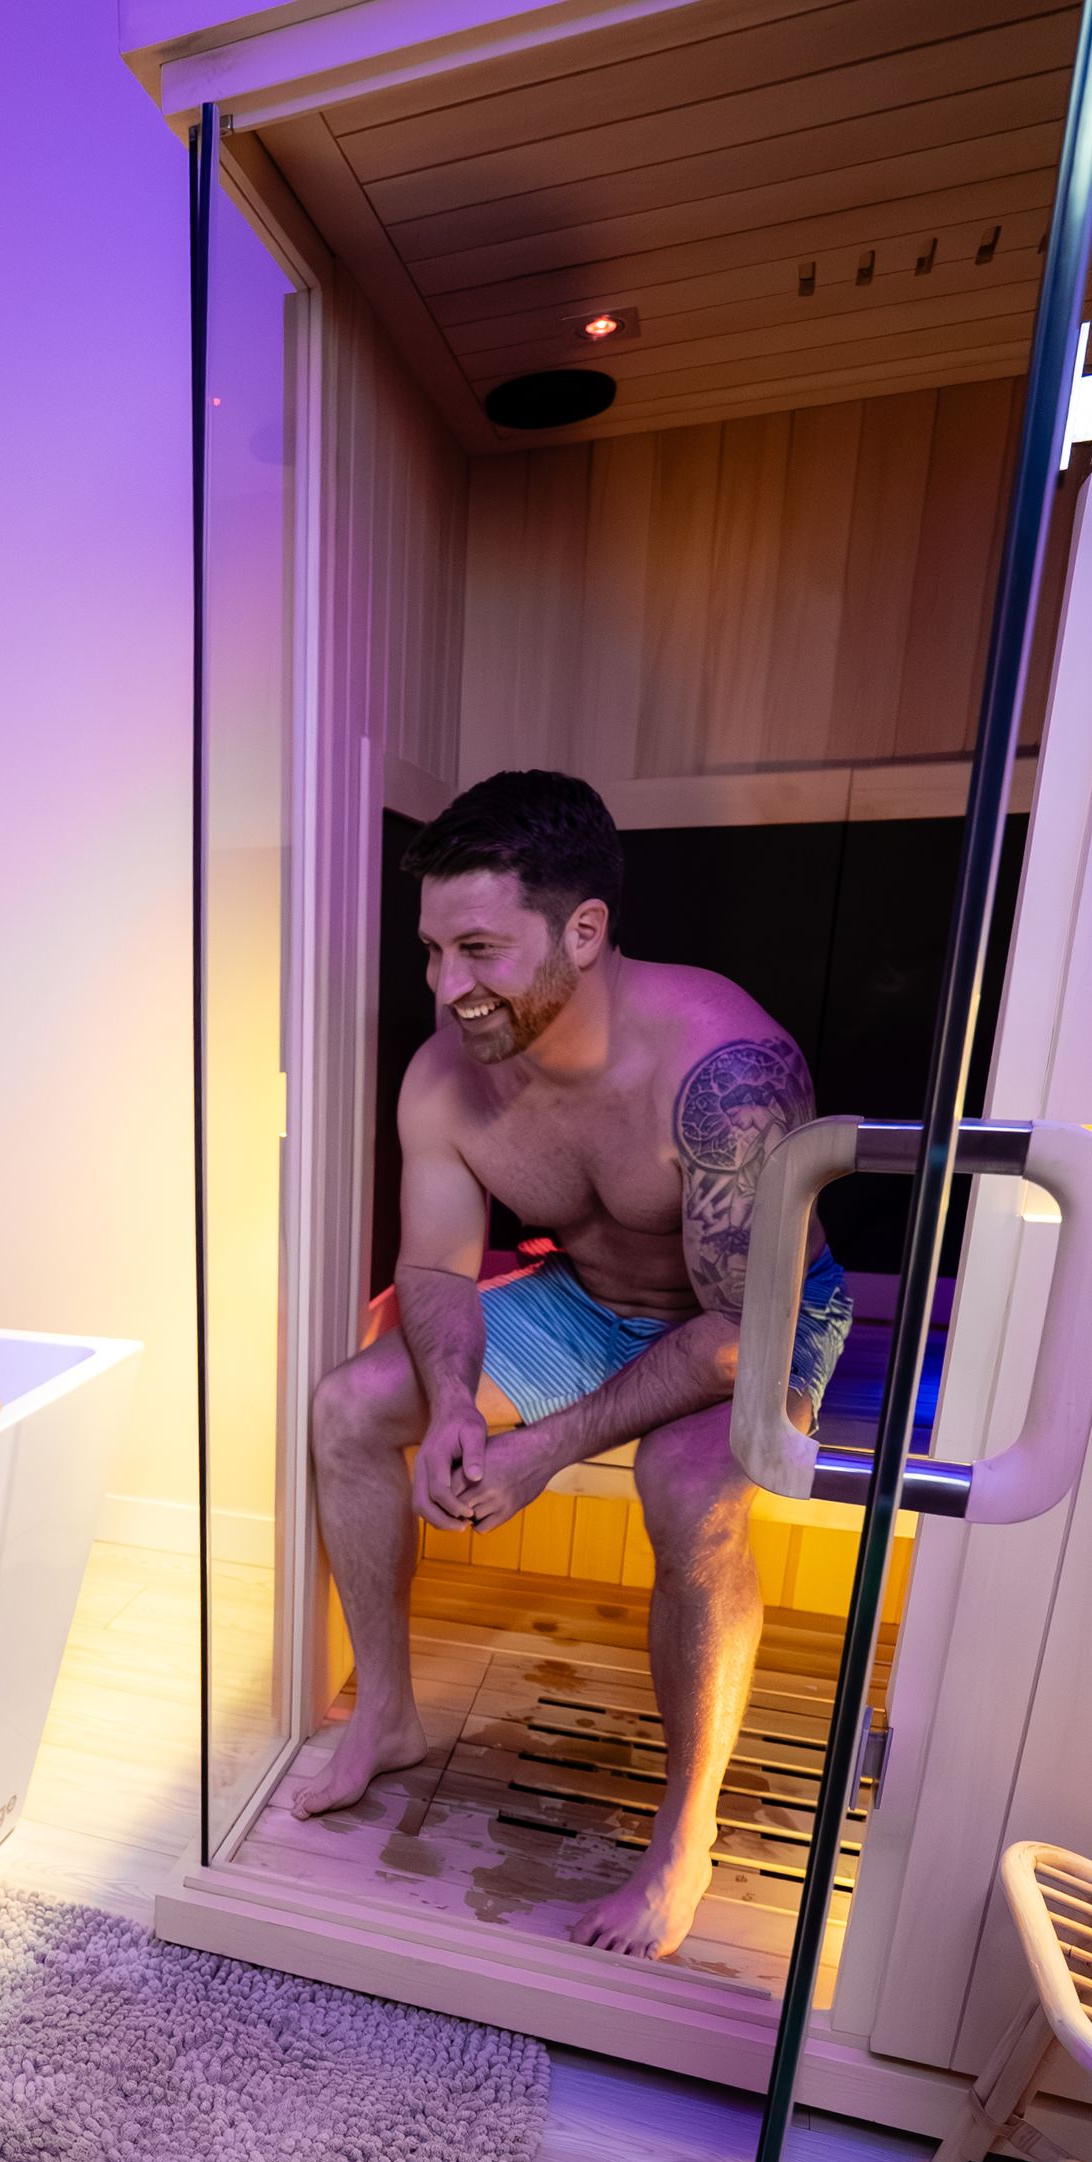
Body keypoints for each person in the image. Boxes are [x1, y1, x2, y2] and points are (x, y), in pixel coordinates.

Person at [300, 771, 852, 1963]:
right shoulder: (446, 1075)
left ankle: (683, 1837)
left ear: (584, 931)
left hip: (756, 1320)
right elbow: (440, 1269)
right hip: (591, 1301)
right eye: (435, 950)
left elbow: (731, 1338)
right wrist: (454, 1400)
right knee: (349, 1406)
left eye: (482, 948)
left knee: (688, 1491)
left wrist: (540, 1446)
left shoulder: (724, 1073)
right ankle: (386, 1716)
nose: (449, 987)